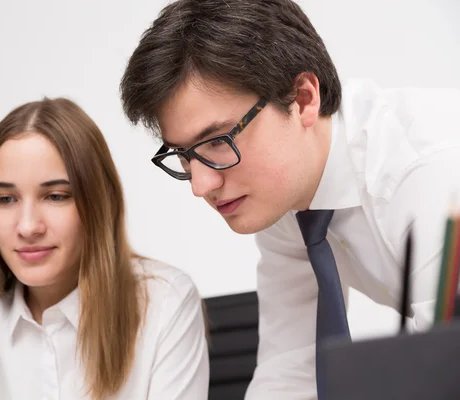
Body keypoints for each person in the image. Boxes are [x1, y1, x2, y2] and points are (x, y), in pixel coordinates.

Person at [119, 0, 460, 399]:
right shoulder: (286, 198)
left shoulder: (428, 175)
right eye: (183, 154)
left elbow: (441, 377)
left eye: (217, 141)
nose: (200, 185)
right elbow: (290, 367)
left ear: (302, 98)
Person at [0, 97, 209, 400]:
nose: (28, 226)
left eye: (56, 196)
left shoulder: (164, 303)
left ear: (99, 201)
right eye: (6, 199)